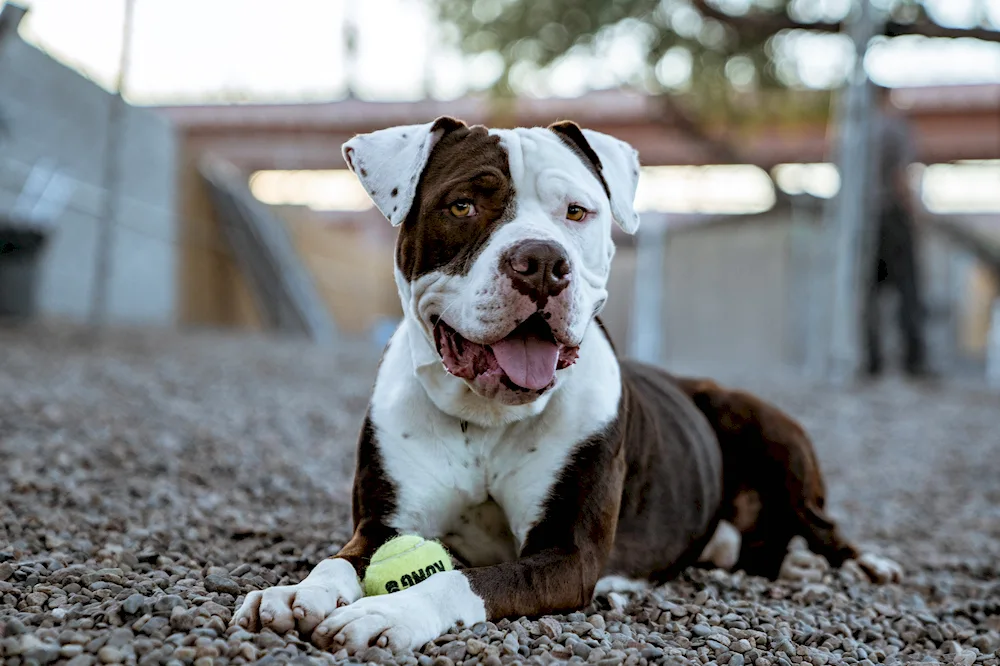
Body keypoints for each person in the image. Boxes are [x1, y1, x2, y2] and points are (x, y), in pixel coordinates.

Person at [863, 83, 933, 379]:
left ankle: (872, 361)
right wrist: (912, 212)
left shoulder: (854, 131)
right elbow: (900, 175)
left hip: (865, 222)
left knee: (869, 293)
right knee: (908, 288)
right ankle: (913, 361)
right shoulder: (893, 126)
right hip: (892, 215)